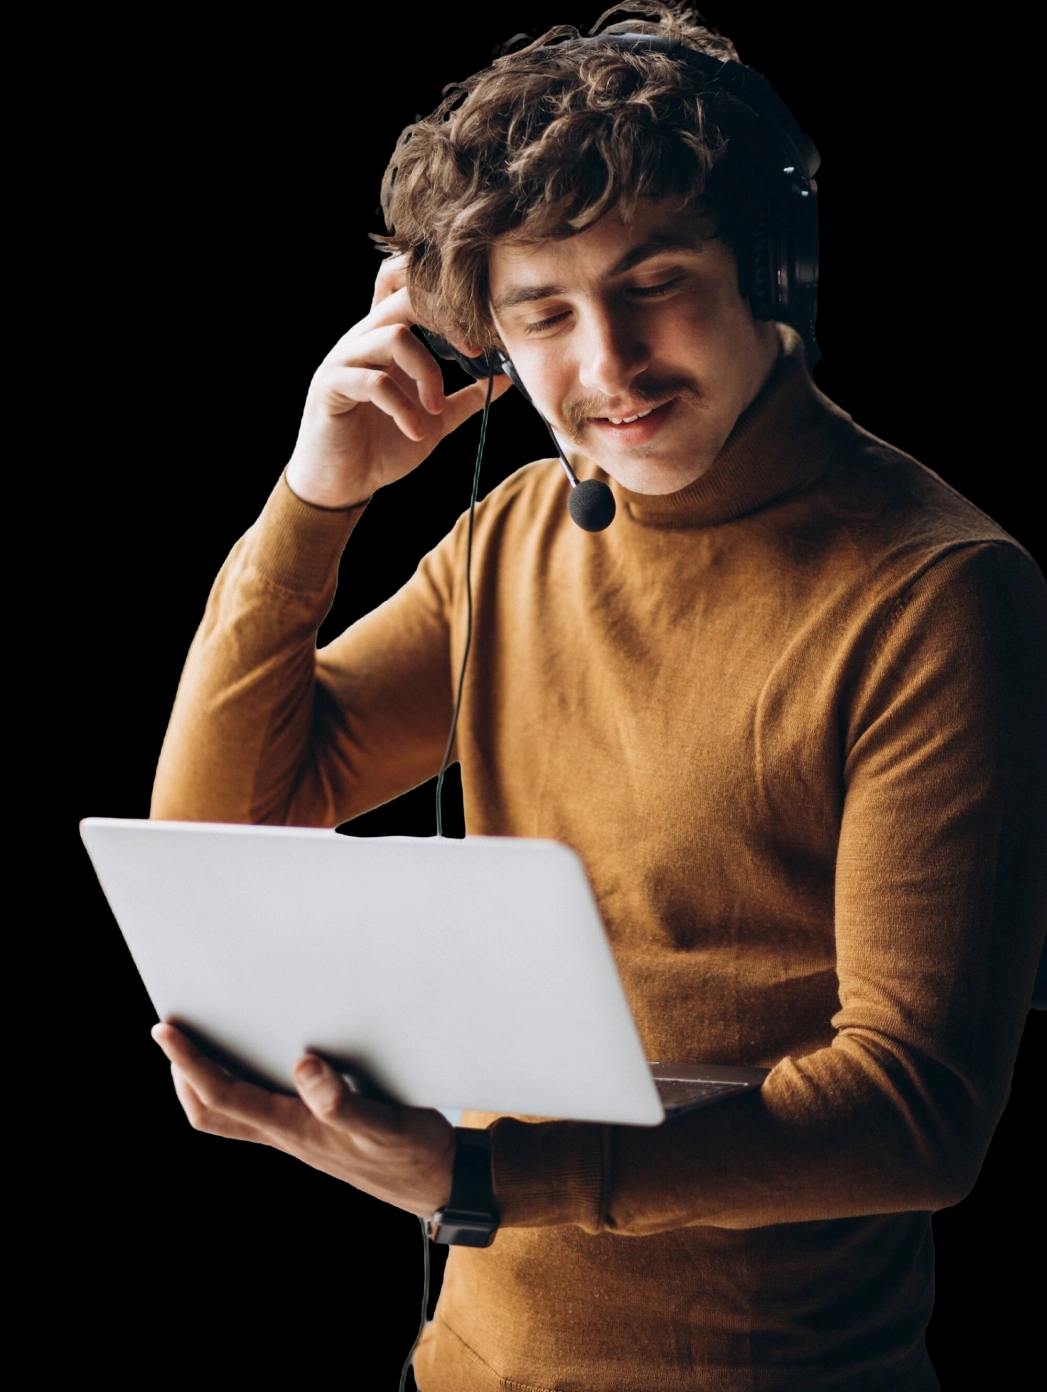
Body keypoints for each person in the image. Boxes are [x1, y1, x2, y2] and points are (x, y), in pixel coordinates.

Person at [148, 6, 1047, 1389]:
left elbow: (918, 1113)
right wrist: (312, 501)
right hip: (466, 1365)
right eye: (544, 315)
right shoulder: (512, 533)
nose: (608, 368)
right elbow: (227, 826)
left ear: (773, 270)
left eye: (656, 282)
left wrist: (479, 1176)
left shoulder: (936, 588)